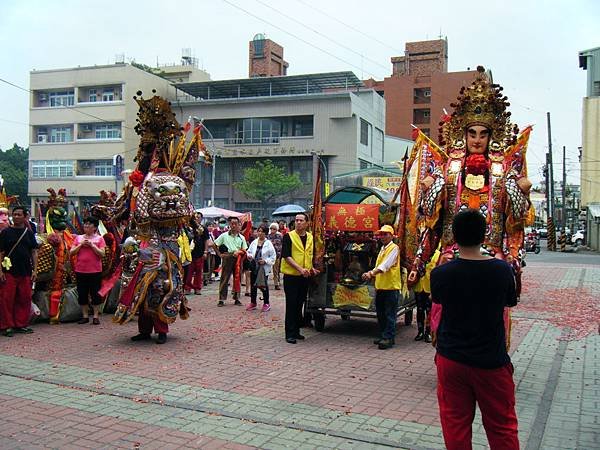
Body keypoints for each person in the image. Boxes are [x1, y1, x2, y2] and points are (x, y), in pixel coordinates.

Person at [431, 209, 519, 450]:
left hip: (452, 360)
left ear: (454, 236)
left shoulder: (441, 273)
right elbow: (510, 301)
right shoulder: (502, 270)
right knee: (502, 426)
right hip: (491, 361)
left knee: (455, 424)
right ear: (485, 235)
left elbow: (437, 299)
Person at [0, 206, 39, 336]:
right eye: (14, 214)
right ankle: (7, 326)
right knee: (7, 299)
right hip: (8, 271)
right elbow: (1, 252)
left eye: (19, 215)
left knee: (24, 298)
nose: (16, 217)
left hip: (25, 270)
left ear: (25, 216)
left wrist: (35, 270)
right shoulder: (5, 233)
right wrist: (0, 271)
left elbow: (34, 251)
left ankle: (21, 324)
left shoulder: (28, 233)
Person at [281, 213, 319, 344]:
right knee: (291, 304)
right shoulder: (288, 236)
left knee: (300, 304)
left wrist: (311, 267)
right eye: (296, 220)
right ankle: (289, 333)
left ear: (307, 223)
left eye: (301, 220)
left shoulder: (310, 237)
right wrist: (300, 269)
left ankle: (296, 331)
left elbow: (309, 255)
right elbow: (286, 256)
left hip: (305, 276)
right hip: (291, 276)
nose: (298, 222)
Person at [361, 225, 401, 350]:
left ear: (392, 235)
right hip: (381, 286)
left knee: (389, 314)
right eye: (381, 234)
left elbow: (385, 265)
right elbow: (379, 265)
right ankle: (384, 335)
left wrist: (371, 273)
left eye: (385, 234)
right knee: (381, 313)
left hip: (391, 287)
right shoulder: (383, 249)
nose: (382, 237)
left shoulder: (394, 248)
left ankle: (388, 338)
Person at [70, 216, 106, 325]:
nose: (86, 226)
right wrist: (81, 245)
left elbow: (102, 254)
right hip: (81, 270)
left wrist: (92, 246)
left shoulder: (99, 239)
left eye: (89, 225)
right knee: (82, 293)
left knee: (95, 293)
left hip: (95, 271)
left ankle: (95, 316)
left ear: (95, 227)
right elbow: (72, 252)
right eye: (85, 224)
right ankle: (85, 316)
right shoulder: (79, 238)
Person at [214, 216, 247, 306]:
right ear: (229, 224)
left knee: (238, 278)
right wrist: (219, 254)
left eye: (235, 224)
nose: (234, 226)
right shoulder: (224, 236)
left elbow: (244, 249)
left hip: (238, 259)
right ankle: (221, 299)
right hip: (227, 257)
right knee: (224, 278)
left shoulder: (241, 237)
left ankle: (236, 298)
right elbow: (214, 244)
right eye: (232, 223)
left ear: (239, 225)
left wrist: (239, 252)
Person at [246, 225, 276, 312]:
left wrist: (265, 261)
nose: (260, 233)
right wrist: (249, 256)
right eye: (259, 231)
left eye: (262, 231)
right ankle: (253, 302)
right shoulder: (254, 242)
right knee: (253, 285)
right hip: (254, 266)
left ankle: (266, 303)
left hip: (263, 268)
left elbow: (273, 256)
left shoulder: (268, 244)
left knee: (263, 285)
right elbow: (249, 251)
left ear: (265, 233)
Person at [185, 212, 209, 295]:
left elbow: (206, 240)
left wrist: (205, 252)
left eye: (198, 217)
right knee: (188, 272)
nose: (197, 219)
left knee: (199, 272)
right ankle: (187, 288)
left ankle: (197, 288)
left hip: (200, 253)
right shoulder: (188, 228)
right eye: (195, 217)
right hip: (189, 254)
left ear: (201, 219)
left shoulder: (204, 229)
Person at [267, 222, 283, 290]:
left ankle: (276, 283)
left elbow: (282, 244)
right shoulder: (268, 236)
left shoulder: (280, 236)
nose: (272, 230)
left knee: (276, 270)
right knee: (267, 269)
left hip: (277, 255)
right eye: (271, 228)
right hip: (269, 256)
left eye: (274, 229)